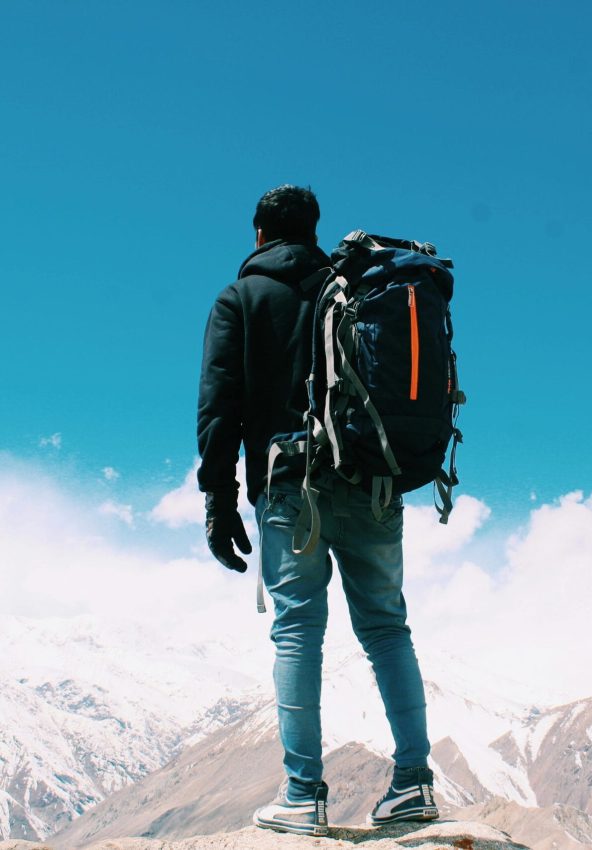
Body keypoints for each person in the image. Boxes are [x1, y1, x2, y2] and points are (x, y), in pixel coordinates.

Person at [197, 185, 438, 837]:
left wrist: (219, 501)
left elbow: (220, 407)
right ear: (312, 230)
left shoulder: (242, 298)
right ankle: (414, 783)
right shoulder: (356, 287)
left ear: (258, 235)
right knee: (387, 627)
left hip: (289, 484)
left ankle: (304, 794)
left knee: (298, 630)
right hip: (371, 481)